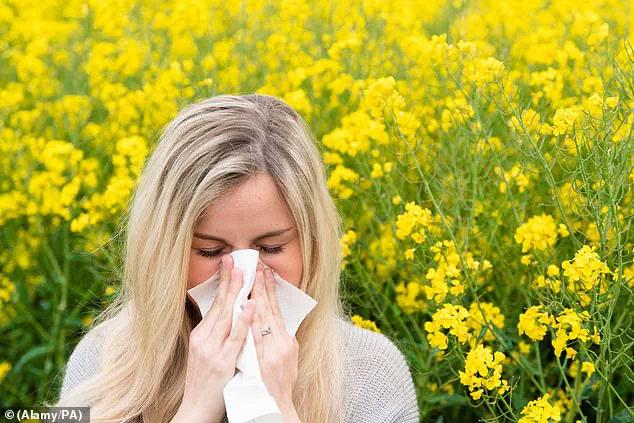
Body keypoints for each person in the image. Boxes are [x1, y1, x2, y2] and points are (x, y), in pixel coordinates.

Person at [56, 94, 420, 422]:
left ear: (312, 244)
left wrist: (279, 412)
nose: (243, 278)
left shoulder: (370, 374)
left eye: (271, 248)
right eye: (210, 251)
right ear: (165, 253)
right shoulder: (103, 364)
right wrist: (195, 411)